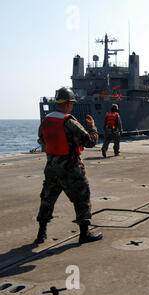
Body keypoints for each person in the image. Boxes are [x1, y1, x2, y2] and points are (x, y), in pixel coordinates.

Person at [35, 87, 103, 245]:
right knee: (82, 198)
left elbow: (41, 139)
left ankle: (41, 233)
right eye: (71, 103)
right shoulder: (69, 121)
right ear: (67, 104)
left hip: (51, 166)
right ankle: (84, 234)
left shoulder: (46, 120)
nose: (72, 106)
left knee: (47, 199)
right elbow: (90, 141)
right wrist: (92, 126)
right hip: (70, 167)